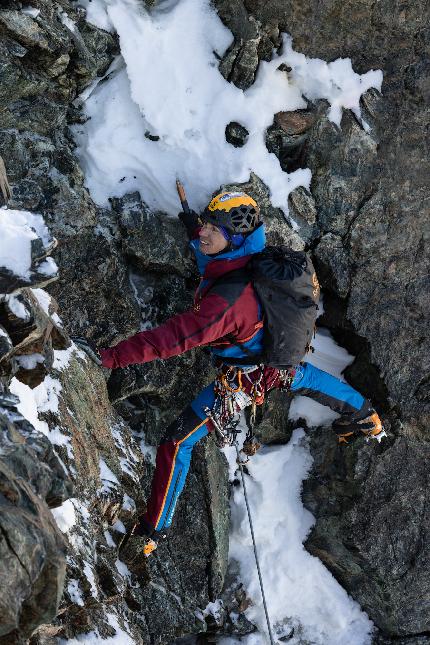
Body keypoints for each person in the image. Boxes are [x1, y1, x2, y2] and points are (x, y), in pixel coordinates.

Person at [98, 192, 384, 564]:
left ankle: (154, 530)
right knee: (302, 377)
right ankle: (364, 413)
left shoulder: (228, 304)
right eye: (204, 225)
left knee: (176, 442)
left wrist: (111, 357)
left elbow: (172, 339)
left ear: (233, 238)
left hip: (246, 377)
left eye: (211, 229)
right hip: (275, 359)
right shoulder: (249, 258)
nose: (204, 233)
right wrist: (193, 230)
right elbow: (210, 258)